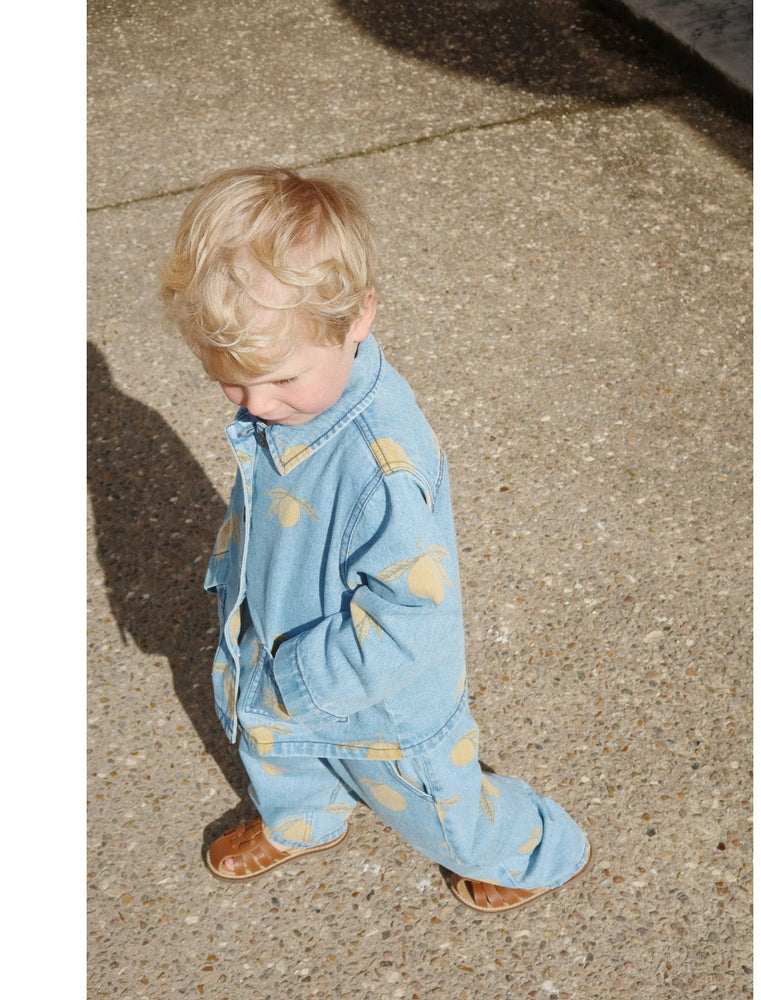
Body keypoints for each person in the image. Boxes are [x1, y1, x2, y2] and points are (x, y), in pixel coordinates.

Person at [159, 166, 590, 912]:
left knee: (436, 807)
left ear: (358, 318)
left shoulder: (379, 467)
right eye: (231, 381)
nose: (257, 405)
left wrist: (299, 683)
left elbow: (413, 617)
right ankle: (304, 819)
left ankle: (535, 852)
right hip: (283, 631)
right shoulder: (296, 401)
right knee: (273, 746)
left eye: (282, 380)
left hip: (375, 702)